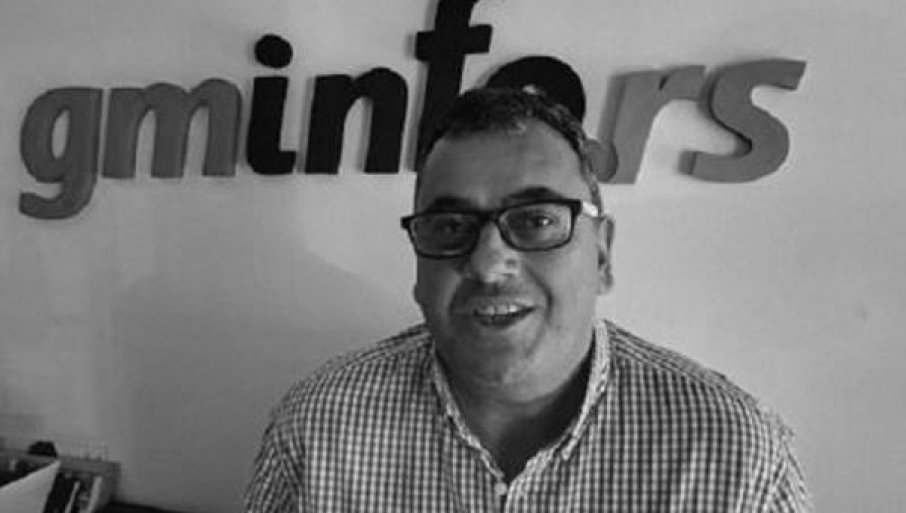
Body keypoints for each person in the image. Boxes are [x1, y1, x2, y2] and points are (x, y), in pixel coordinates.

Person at [244, 87, 811, 512]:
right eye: (450, 226)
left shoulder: (735, 457)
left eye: (537, 220)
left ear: (602, 254)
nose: (489, 264)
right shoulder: (317, 428)